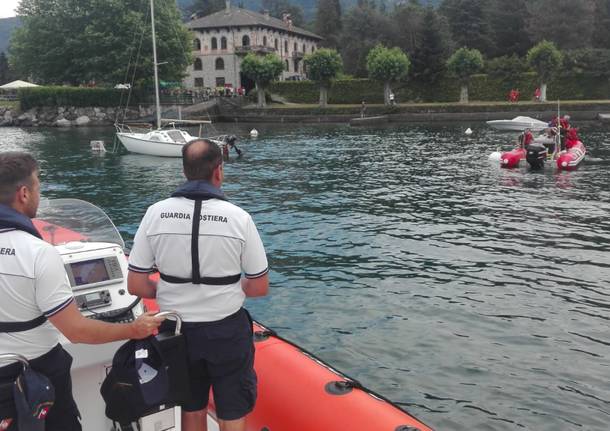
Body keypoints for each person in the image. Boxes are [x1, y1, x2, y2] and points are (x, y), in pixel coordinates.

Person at [0, 152, 164, 431]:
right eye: (38, 185)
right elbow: (77, 331)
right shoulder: (38, 254)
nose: (39, 193)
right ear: (24, 193)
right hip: (36, 376)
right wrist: (133, 330)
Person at [127, 139, 269, 431]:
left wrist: (168, 290)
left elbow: (136, 284)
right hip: (226, 331)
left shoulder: (155, 213)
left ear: (184, 171)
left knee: (192, 408)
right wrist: (227, 288)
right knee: (232, 410)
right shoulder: (239, 219)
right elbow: (258, 287)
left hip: (176, 331)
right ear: (219, 171)